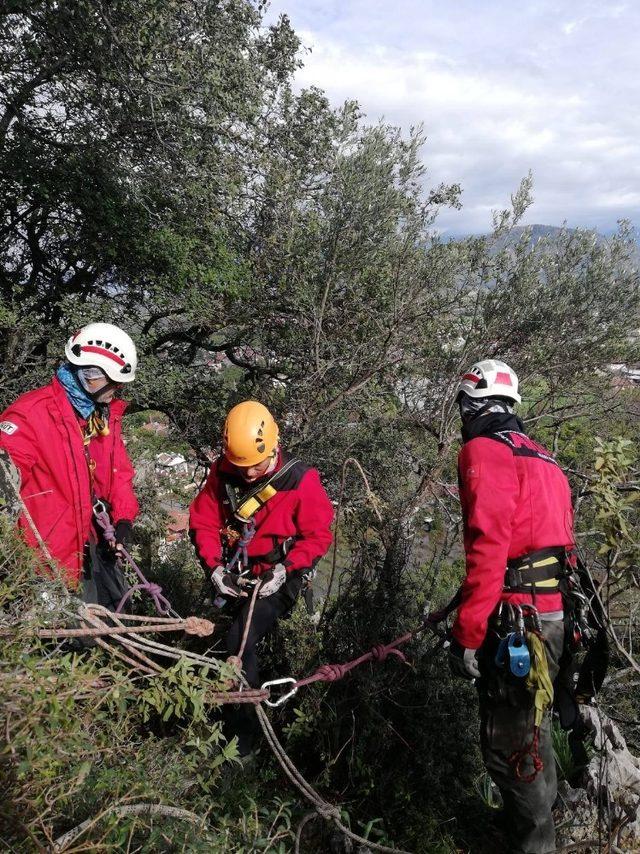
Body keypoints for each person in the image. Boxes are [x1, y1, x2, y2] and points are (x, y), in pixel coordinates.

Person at [445, 359, 574, 854]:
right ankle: (534, 833)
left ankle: (534, 846)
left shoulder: (483, 449)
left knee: (508, 748)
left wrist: (467, 634)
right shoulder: (543, 457)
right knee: (531, 734)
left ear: (469, 404)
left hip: (518, 619)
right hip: (554, 614)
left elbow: (488, 546)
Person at [189, 400, 333, 754]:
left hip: (282, 574)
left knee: (240, 639)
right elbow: (203, 523)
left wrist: (287, 569)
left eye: (254, 466)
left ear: (273, 448)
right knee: (235, 639)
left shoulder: (300, 480)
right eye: (242, 467)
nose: (249, 475)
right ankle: (235, 716)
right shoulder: (223, 473)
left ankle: (243, 736)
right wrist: (214, 568)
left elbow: (317, 536)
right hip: (238, 571)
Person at [0, 322, 139, 609]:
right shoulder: (31, 416)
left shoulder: (98, 417)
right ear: (90, 375)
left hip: (90, 545)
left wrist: (123, 519)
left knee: (114, 619)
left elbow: (118, 472)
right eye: (112, 382)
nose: (118, 389)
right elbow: (7, 473)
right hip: (47, 560)